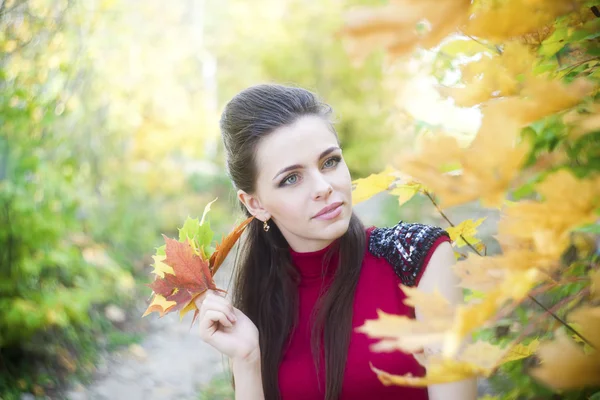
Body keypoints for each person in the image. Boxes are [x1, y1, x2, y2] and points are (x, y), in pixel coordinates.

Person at [194, 83, 478, 400]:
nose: (323, 186)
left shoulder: (417, 257)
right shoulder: (262, 299)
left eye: (329, 161)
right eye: (291, 178)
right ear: (256, 204)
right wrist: (246, 359)